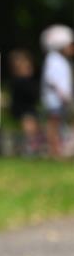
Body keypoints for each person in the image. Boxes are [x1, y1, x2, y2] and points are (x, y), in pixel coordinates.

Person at [40, 25, 74, 159]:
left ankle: (61, 148)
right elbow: (52, 78)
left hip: (61, 99)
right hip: (54, 99)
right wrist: (62, 94)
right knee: (53, 123)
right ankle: (54, 150)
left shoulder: (61, 60)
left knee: (59, 124)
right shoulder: (53, 59)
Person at [7, 49, 41, 156]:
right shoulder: (19, 81)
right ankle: (29, 147)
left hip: (29, 109)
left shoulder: (28, 81)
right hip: (22, 109)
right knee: (28, 121)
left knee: (32, 123)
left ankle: (32, 146)